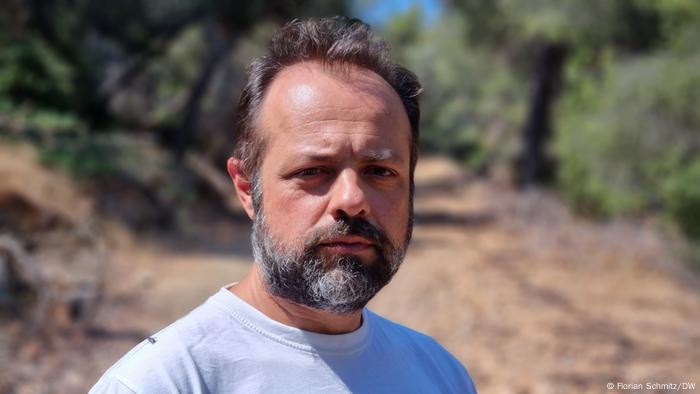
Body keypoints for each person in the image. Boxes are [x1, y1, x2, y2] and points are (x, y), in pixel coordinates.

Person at [90, 17, 477, 393]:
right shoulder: (162, 382)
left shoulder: (441, 374)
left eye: (379, 171)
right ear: (247, 188)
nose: (351, 200)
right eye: (313, 170)